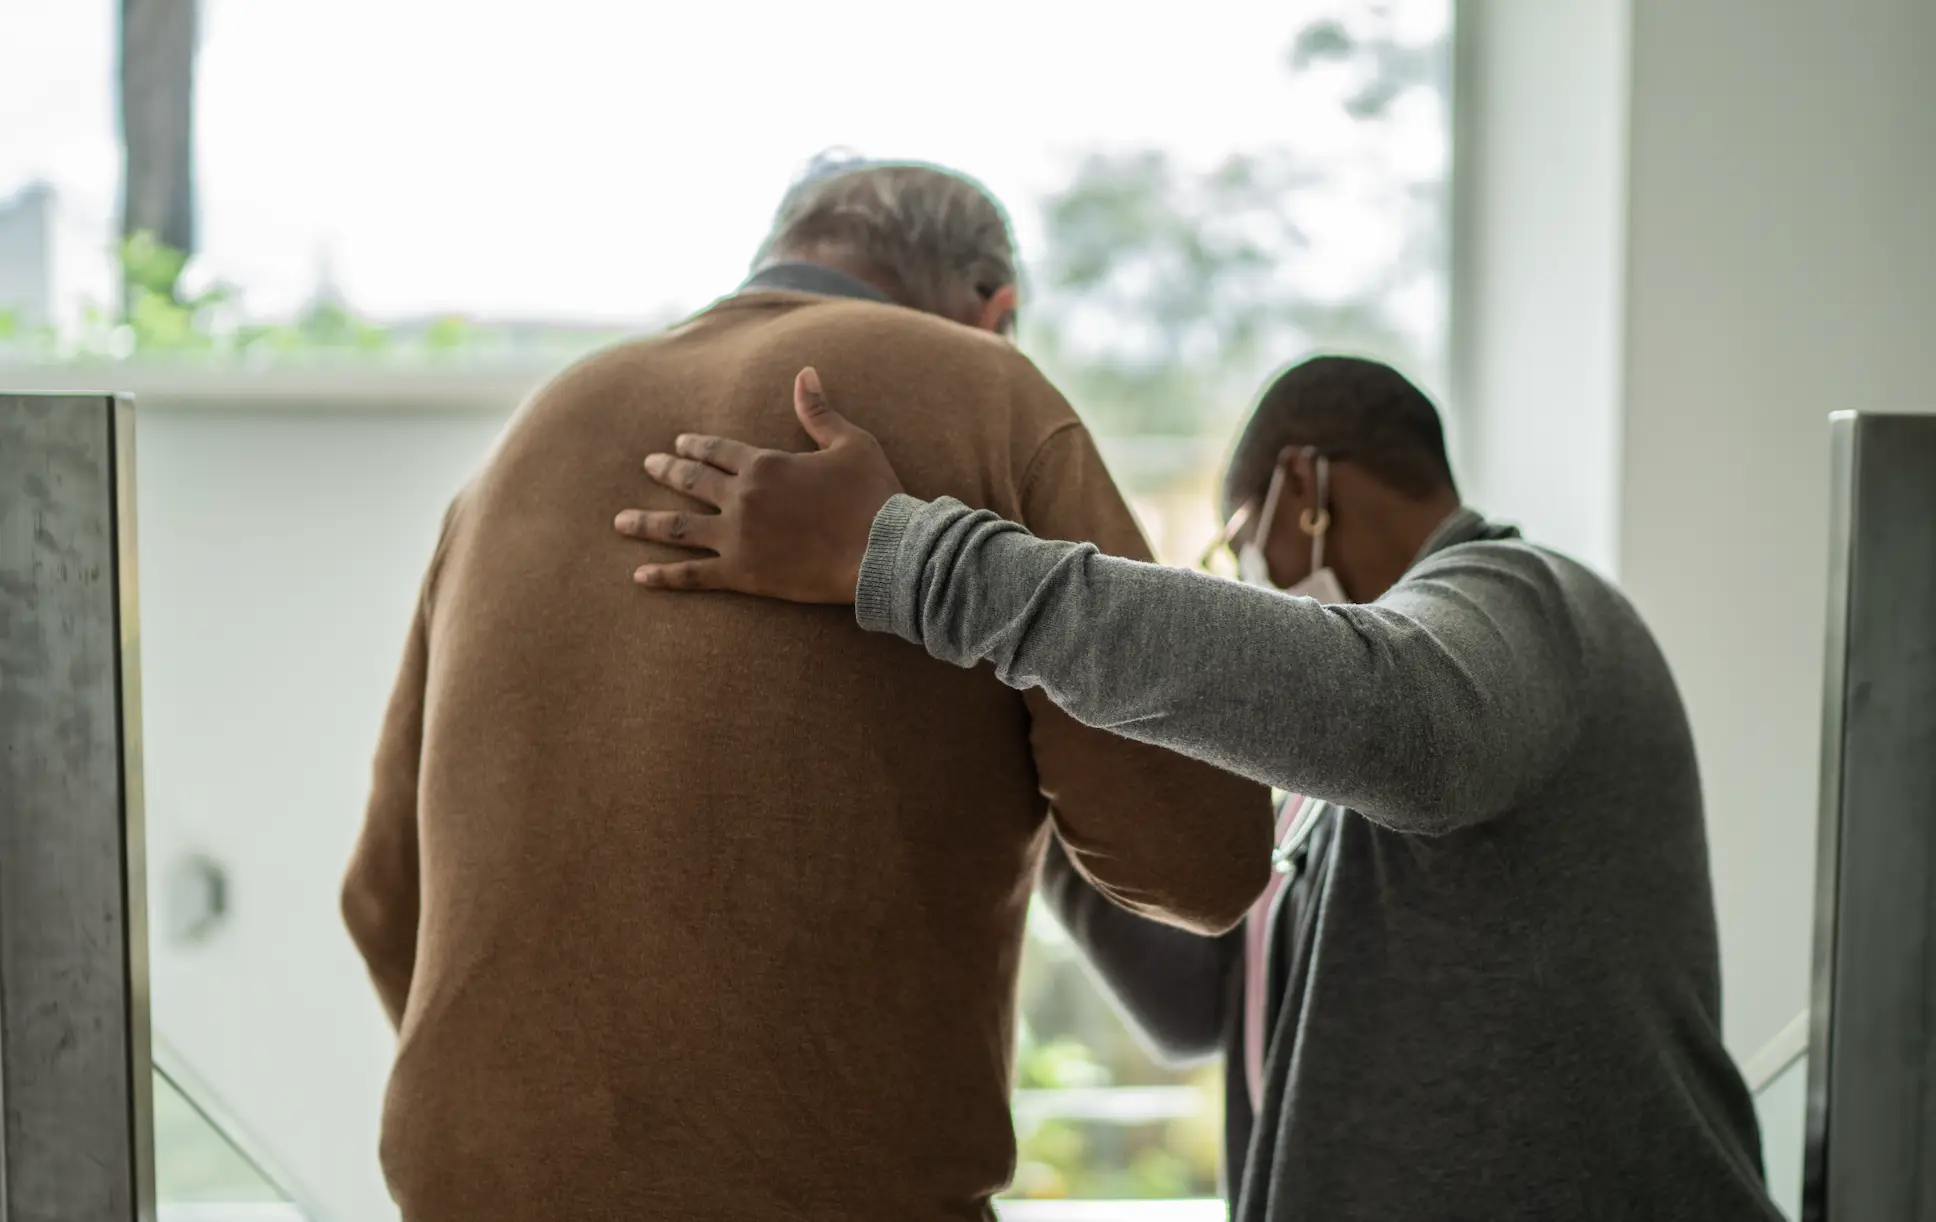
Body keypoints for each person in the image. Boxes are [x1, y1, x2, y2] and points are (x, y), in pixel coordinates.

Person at [611, 357, 1786, 1221]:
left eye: (1240, 544)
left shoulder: (1528, 599)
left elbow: (1405, 723)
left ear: (1305, 485)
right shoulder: (1333, 792)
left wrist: (911, 560)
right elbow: (1196, 997)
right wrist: (1041, 743)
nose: (1251, 575)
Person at [341, 156, 1271, 1222]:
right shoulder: (987, 390)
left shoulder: (525, 441)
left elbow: (380, 898)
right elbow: (1201, 859)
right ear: (995, 309)